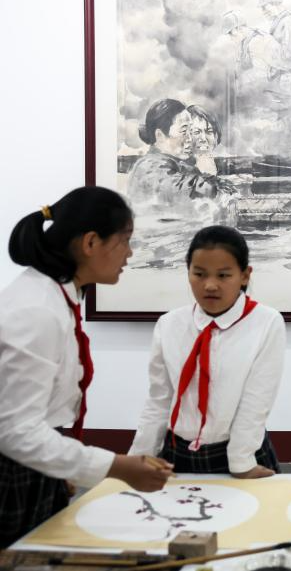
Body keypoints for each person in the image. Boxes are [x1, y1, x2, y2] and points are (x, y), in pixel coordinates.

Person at [1, 188, 173, 546]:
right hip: (12, 471)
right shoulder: (36, 311)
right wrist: (115, 466)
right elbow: (16, 432)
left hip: (32, 460)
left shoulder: (53, 295)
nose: (130, 253)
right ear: (91, 242)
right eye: (125, 241)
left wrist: (64, 465)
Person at [128, 226, 286, 475]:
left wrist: (241, 462)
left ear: (245, 275)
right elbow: (159, 399)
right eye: (199, 274)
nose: (210, 285)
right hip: (176, 451)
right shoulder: (169, 324)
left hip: (242, 452)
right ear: (188, 272)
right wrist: (140, 457)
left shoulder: (266, 322)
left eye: (223, 275)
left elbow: (256, 401)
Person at [126, 98, 236, 207]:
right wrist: (207, 175)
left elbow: (227, 191)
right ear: (159, 135)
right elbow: (196, 198)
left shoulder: (177, 166)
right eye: (184, 131)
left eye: (191, 131)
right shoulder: (151, 168)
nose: (190, 138)